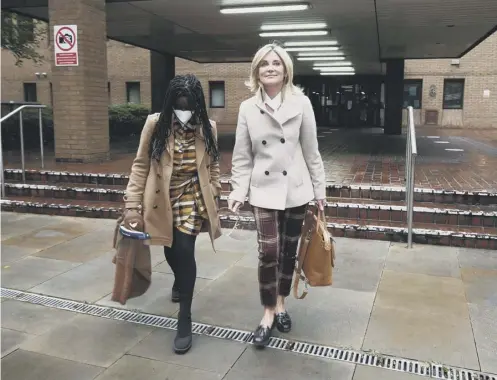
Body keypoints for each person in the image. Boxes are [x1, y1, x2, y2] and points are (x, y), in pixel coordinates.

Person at [228, 43, 326, 347]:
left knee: (287, 250)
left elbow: (312, 151)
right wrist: (237, 189)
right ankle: (268, 311)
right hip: (262, 190)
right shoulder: (247, 108)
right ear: (256, 71)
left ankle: (281, 302)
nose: (270, 68)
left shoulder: (302, 103)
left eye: (276, 63)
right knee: (268, 252)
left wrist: (320, 191)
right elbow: (242, 156)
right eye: (264, 64)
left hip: (296, 190)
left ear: (286, 70)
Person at [123, 74, 222, 354]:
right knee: (169, 246)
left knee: (184, 248)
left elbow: (214, 164)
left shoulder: (207, 127)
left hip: (193, 195)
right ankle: (179, 280)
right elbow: (140, 165)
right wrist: (132, 204)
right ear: (170, 102)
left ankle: (185, 318)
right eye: (178, 103)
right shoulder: (156, 125)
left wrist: (214, 189)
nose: (183, 109)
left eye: (188, 104)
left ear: (197, 103)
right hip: (161, 197)